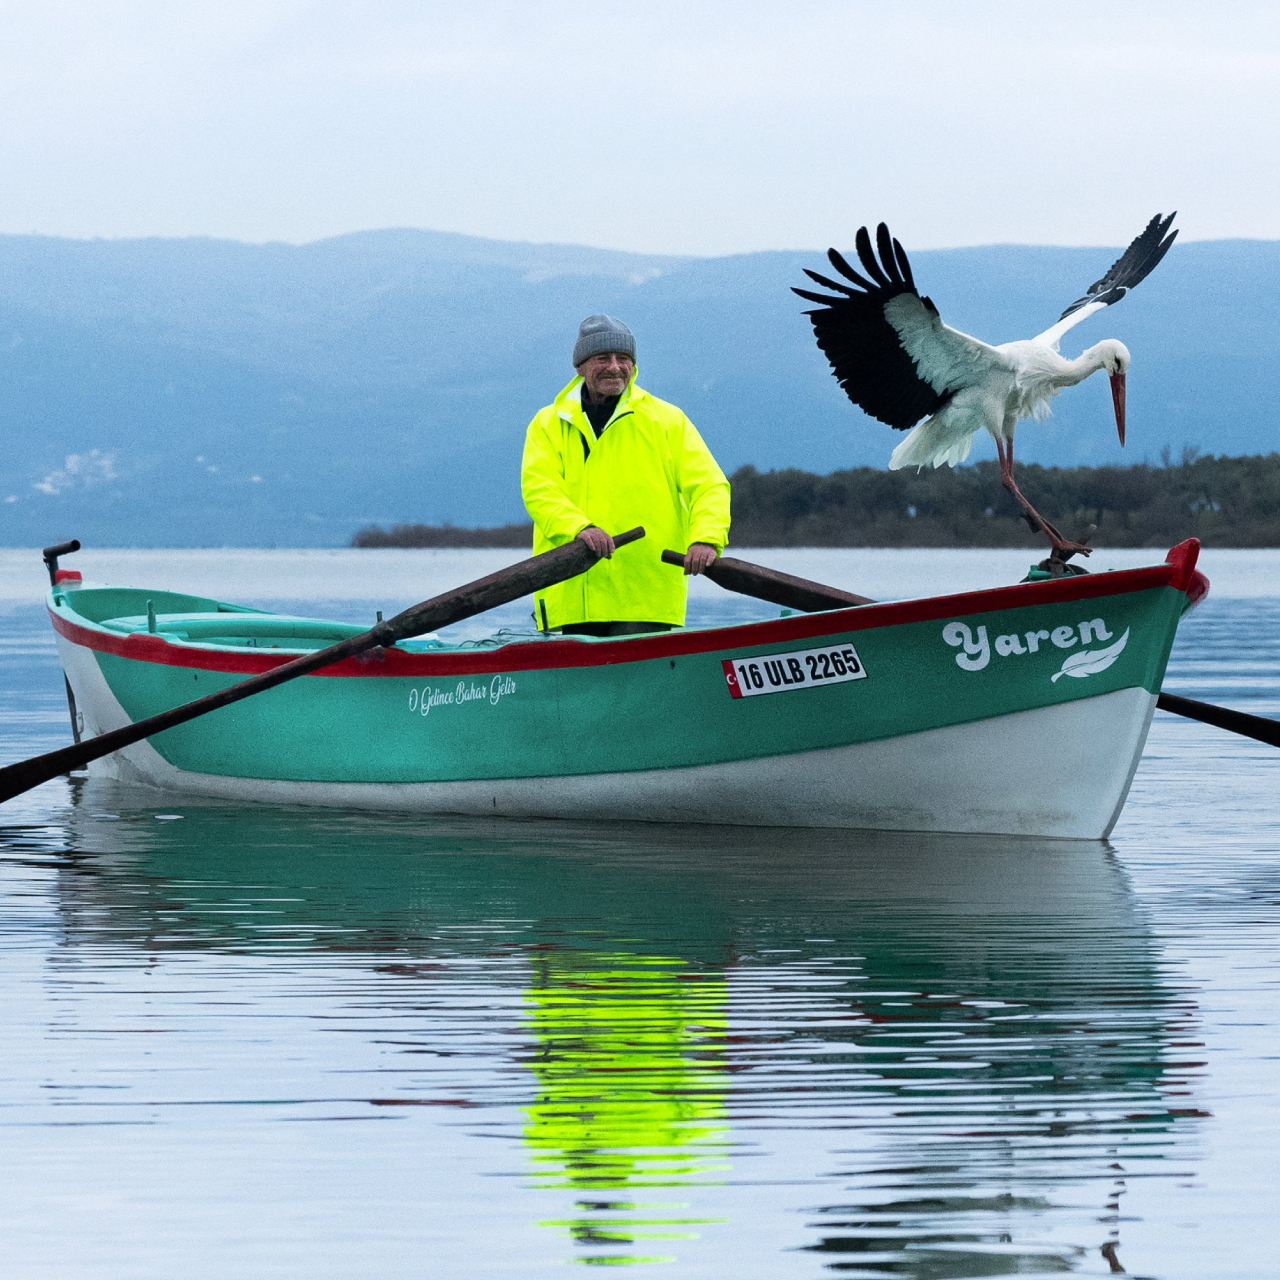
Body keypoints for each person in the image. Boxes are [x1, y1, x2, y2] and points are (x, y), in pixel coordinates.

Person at [521, 314, 731, 636]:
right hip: (570, 596)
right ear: (580, 366)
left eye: (624, 358)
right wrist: (579, 528)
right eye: (602, 358)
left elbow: (709, 485)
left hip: (646, 597)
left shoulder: (667, 421)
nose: (615, 367)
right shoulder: (547, 423)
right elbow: (540, 489)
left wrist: (706, 538)